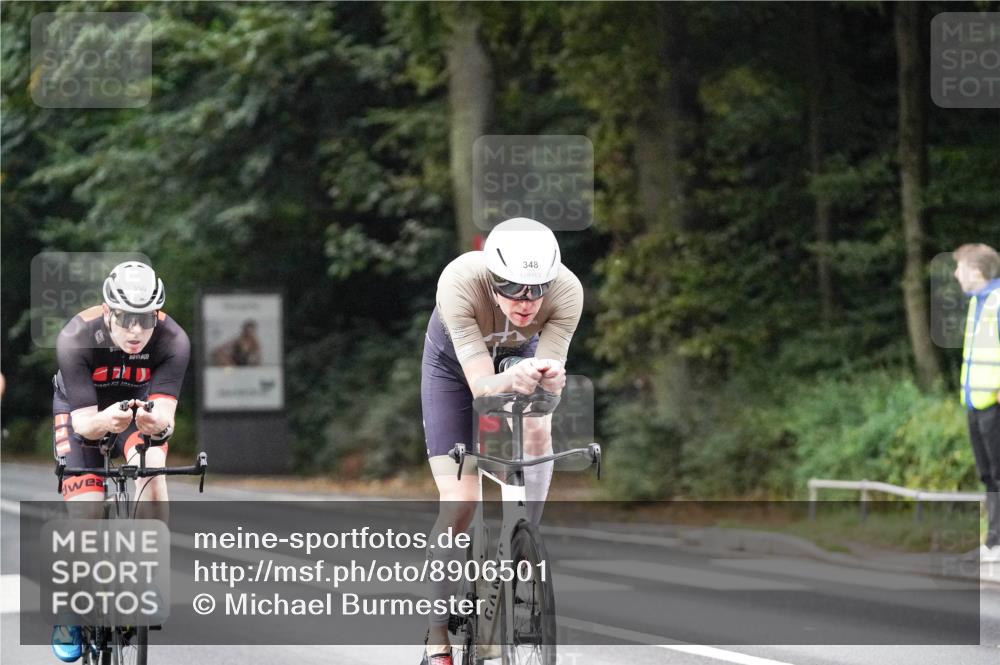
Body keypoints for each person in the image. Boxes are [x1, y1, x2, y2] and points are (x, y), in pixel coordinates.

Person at [419, 218, 583, 665]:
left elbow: (544, 402)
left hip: (518, 359)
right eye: (512, 287)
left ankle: (524, 540)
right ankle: (438, 642)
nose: (527, 302)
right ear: (492, 278)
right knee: (460, 501)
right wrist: (509, 377)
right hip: (455, 371)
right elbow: (480, 389)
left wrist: (550, 388)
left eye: (537, 288)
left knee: (536, 426)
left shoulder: (567, 292)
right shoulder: (459, 283)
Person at [50, 261, 190, 662]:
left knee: (154, 477)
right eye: (126, 318)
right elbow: (85, 426)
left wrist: (153, 425)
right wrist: (103, 422)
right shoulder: (76, 336)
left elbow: (164, 422)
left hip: (135, 409)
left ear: (157, 314)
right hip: (84, 412)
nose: (135, 330)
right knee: (87, 511)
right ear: (108, 310)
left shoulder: (173, 340)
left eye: (145, 319)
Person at [953, 243, 1000, 562]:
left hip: (994, 404)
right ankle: (994, 544)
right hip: (977, 402)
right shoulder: (978, 303)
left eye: (960, 267)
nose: (956, 273)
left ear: (977, 271)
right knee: (988, 475)